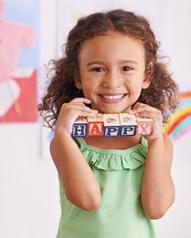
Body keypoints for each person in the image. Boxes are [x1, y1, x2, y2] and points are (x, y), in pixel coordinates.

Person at [38, 9, 178, 238]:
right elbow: (88, 200)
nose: (112, 82)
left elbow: (157, 208)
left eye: (126, 68)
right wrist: (62, 134)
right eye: (97, 69)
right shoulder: (69, 141)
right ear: (78, 76)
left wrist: (155, 142)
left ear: (146, 75)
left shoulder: (157, 142)